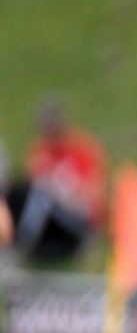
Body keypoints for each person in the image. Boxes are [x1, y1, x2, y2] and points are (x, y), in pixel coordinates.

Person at [8, 100, 105, 264]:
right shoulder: (41, 151)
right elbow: (31, 184)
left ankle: (20, 246)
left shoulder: (80, 148)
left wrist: (66, 188)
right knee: (28, 193)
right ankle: (19, 242)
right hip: (52, 215)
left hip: (80, 214)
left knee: (43, 194)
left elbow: (95, 192)